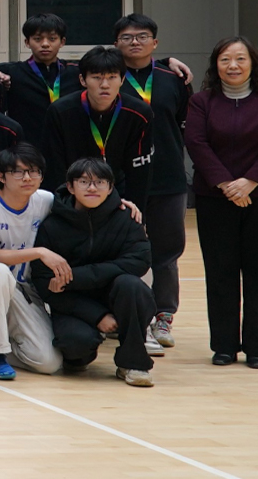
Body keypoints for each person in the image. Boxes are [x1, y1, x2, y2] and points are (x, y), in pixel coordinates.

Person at [185, 37, 258, 369]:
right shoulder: (201, 101)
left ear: (253, 63)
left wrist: (250, 182)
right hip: (214, 198)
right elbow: (196, 143)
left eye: (240, 59)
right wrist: (225, 184)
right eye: (225, 59)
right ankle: (224, 346)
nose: (233, 65)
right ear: (215, 65)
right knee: (220, 271)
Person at [30, 157, 156, 387]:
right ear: (70, 187)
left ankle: (133, 363)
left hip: (114, 294)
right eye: (84, 182)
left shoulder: (127, 217)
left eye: (100, 182)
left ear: (110, 187)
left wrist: (74, 277)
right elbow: (44, 282)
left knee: (133, 286)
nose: (92, 188)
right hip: (73, 302)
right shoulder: (52, 225)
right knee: (75, 346)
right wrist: (97, 316)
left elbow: (139, 261)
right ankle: (80, 355)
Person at [112, 14, 192, 351]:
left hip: (168, 180)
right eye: (127, 37)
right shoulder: (109, 76)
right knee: (119, 250)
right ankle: (123, 316)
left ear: (155, 43)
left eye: (142, 36)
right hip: (122, 181)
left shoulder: (173, 79)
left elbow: (186, 124)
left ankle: (163, 315)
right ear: (116, 43)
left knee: (166, 252)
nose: (135, 42)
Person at [0, 145, 65, 377]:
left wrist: (120, 204)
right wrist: (38, 252)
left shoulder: (45, 200)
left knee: (47, 362)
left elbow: (82, 205)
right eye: (18, 172)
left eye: (34, 171)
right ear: (1, 176)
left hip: (22, 289)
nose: (27, 178)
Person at [43, 46, 154, 206]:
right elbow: (55, 166)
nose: (105, 85)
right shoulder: (60, 112)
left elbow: (140, 169)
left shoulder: (139, 113)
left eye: (112, 77)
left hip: (119, 194)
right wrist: (65, 205)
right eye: (96, 77)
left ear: (122, 80)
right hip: (73, 195)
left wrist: (133, 208)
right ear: (82, 80)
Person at [0, 14, 78, 164]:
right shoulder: (13, 72)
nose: (45, 44)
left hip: (68, 151)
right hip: (27, 154)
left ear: (62, 42)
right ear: (27, 42)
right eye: (37, 39)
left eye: (52, 39)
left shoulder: (76, 73)